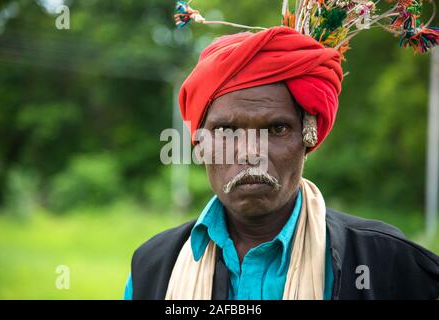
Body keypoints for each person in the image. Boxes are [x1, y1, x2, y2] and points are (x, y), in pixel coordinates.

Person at [124, 1, 439, 300]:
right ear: (199, 143)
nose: (250, 153)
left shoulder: (387, 263)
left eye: (276, 129)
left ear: (308, 136)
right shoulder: (153, 269)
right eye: (226, 132)